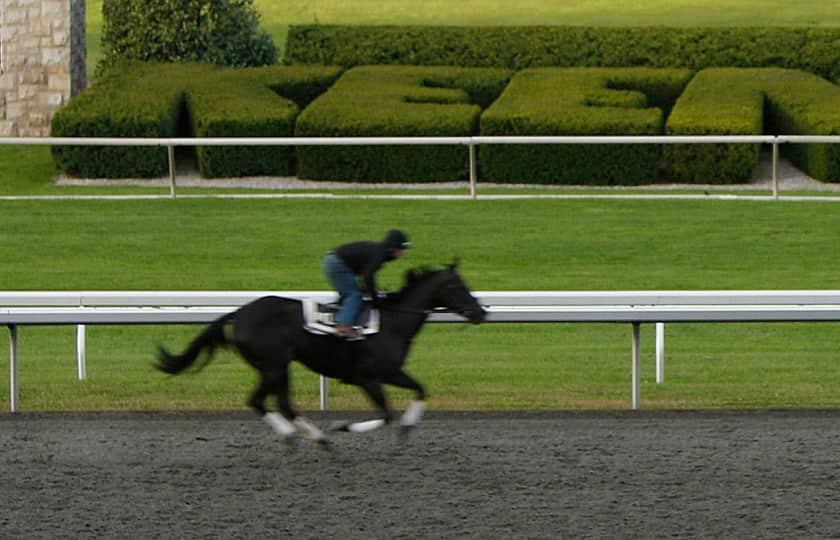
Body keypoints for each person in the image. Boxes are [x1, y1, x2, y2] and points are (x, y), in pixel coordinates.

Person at [323, 229, 411, 337]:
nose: (402, 253)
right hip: (337, 263)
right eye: (401, 250)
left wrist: (373, 292)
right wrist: (375, 298)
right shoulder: (379, 255)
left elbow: (367, 277)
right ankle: (343, 327)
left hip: (335, 260)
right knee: (354, 294)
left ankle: (339, 315)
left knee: (353, 293)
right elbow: (367, 277)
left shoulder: (379, 251)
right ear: (393, 248)